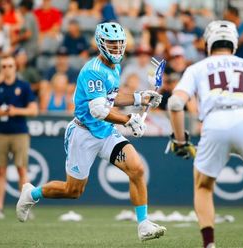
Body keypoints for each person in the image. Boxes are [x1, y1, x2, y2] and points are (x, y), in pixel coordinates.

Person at [16, 21, 166, 242]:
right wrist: (129, 119)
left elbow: (111, 98)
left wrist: (139, 97)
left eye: (119, 44)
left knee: (137, 168)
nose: (116, 48)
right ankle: (32, 193)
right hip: (84, 133)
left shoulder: (115, 67)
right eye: (111, 44)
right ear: (100, 43)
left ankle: (143, 224)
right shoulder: (93, 70)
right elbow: (98, 110)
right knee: (73, 191)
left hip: (105, 132)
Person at [167, 20, 243, 248]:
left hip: (214, 121)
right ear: (233, 44)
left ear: (207, 44)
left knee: (203, 187)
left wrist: (180, 140)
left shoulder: (197, 68)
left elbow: (175, 104)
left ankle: (209, 244)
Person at [0, 55, 38, 219]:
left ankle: (25, 207)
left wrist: (16, 111)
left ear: (15, 67)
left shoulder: (23, 86)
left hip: (19, 132)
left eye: (10, 66)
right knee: (0, 171)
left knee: (22, 169)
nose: (7, 69)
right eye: (4, 66)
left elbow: (34, 110)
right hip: (1, 132)